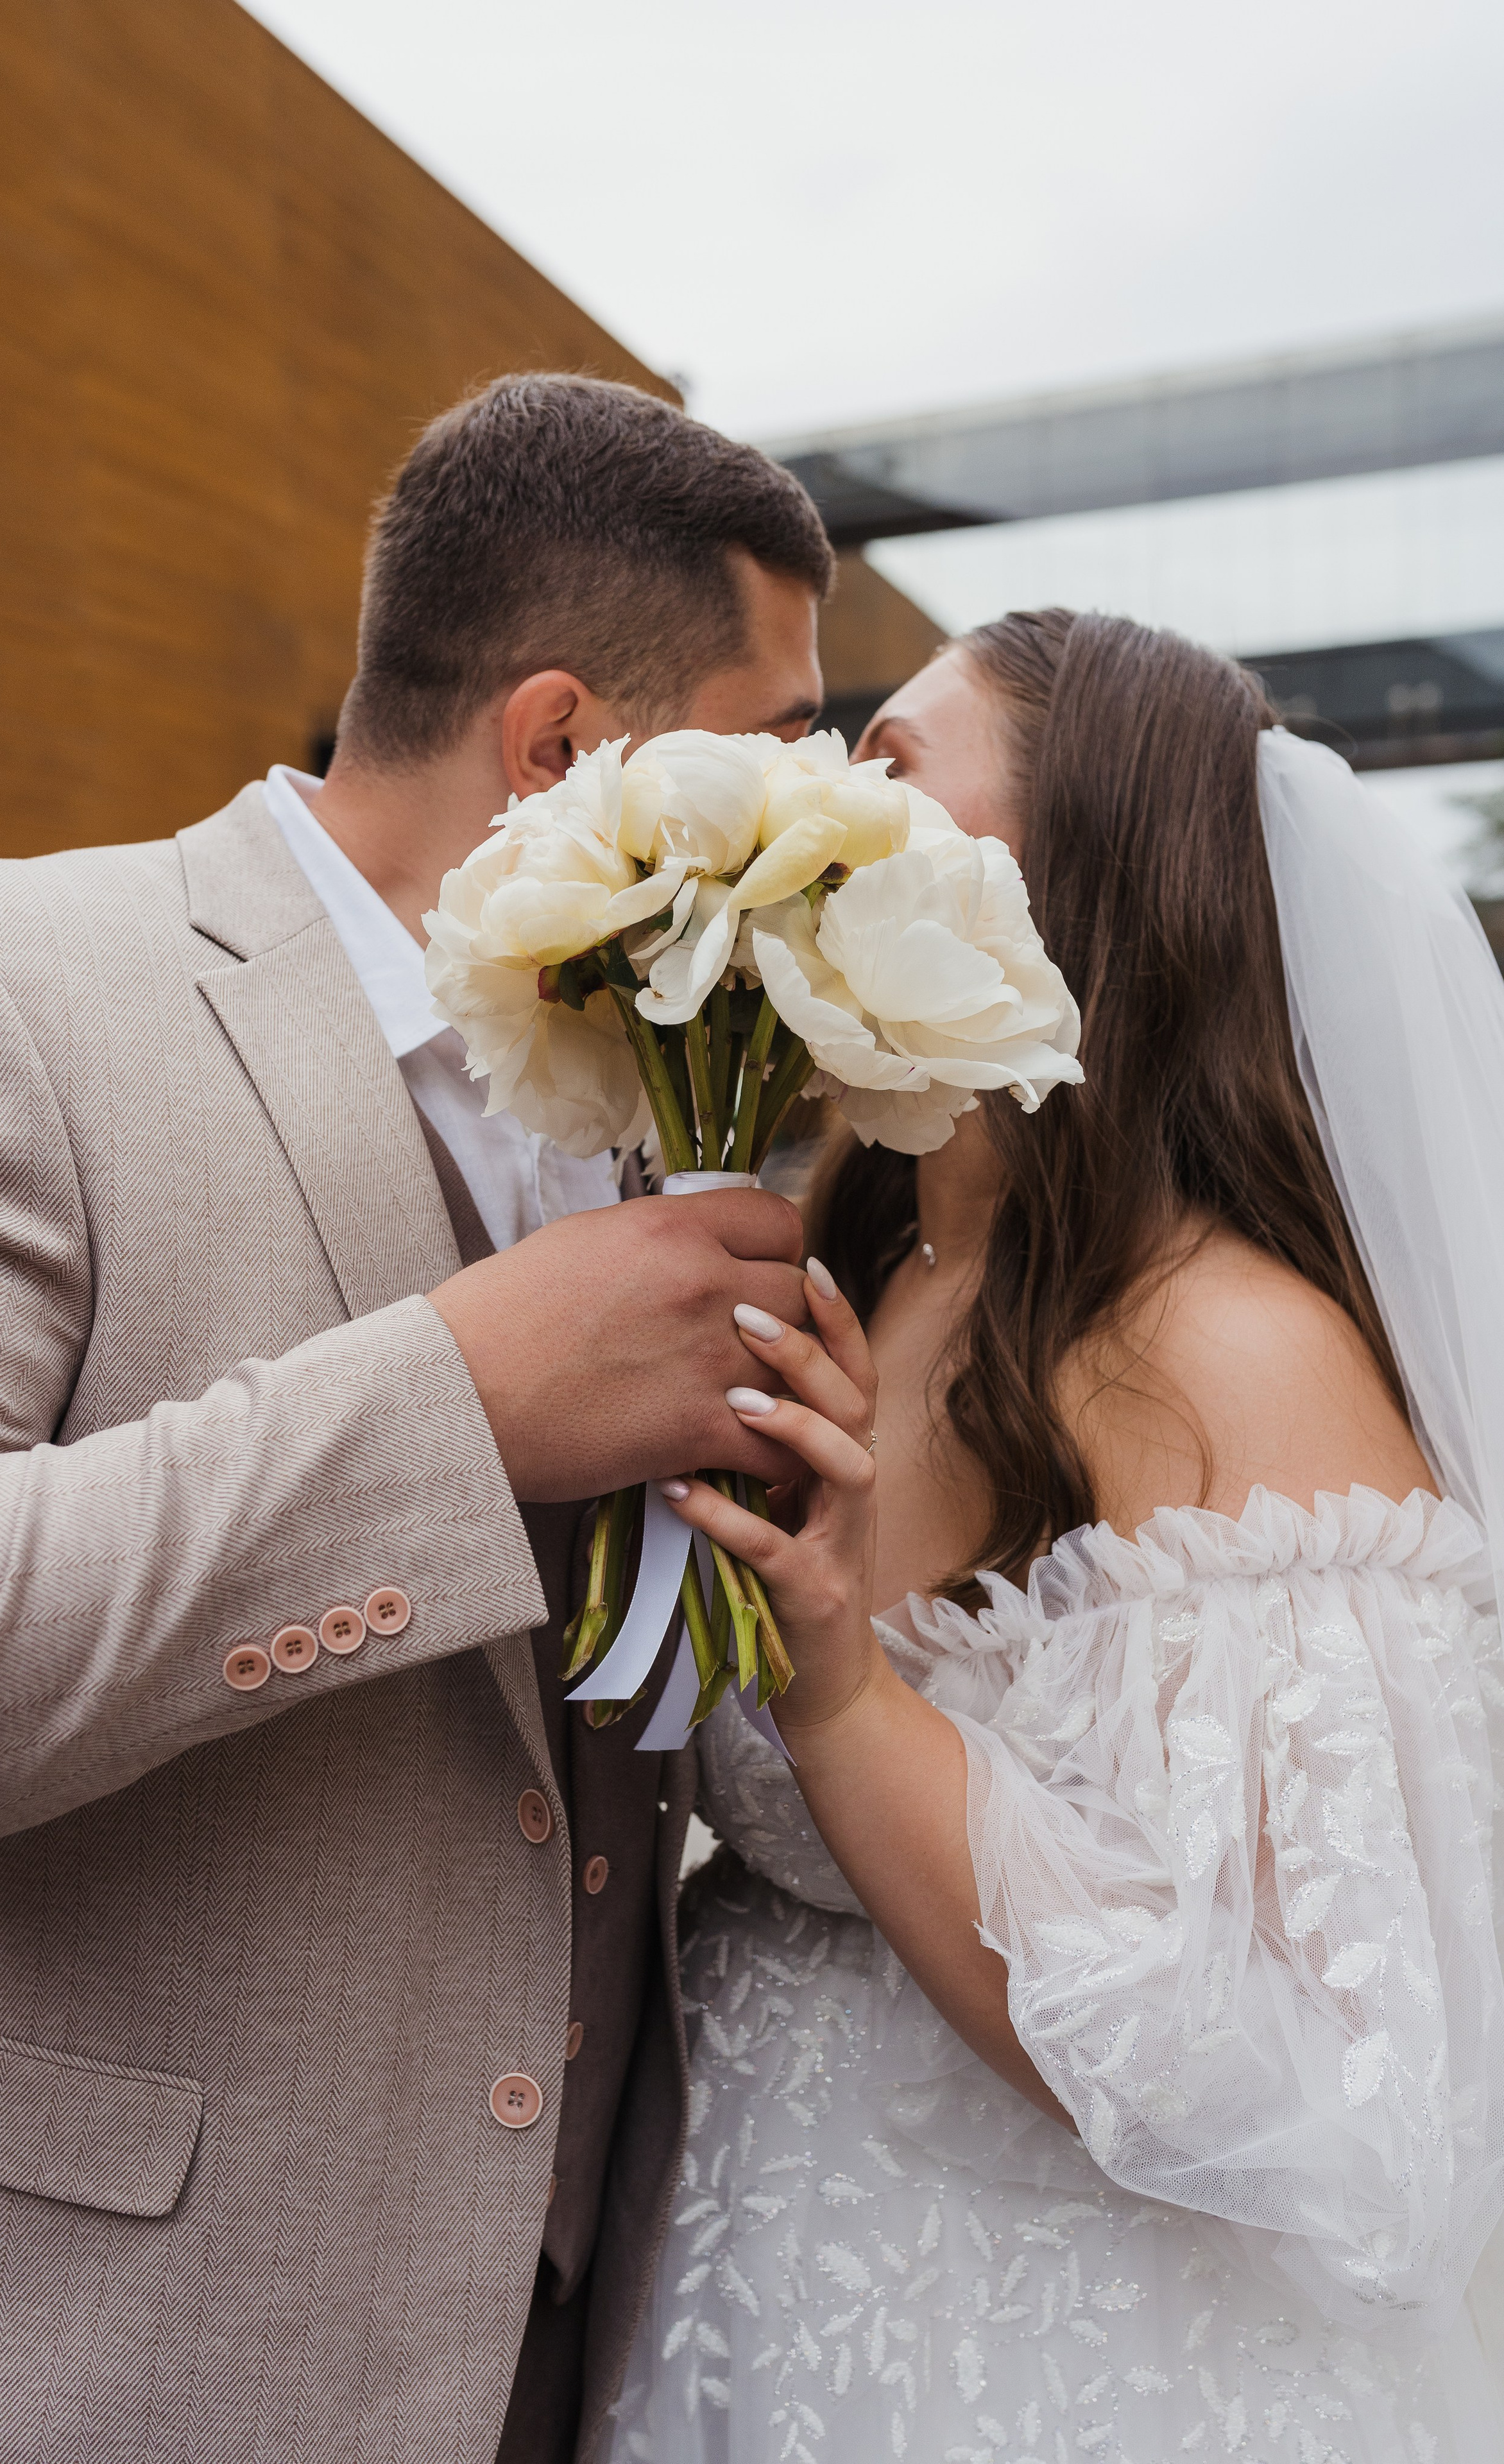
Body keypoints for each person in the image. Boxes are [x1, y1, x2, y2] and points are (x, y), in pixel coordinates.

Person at [0, 373, 833, 2464]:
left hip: (581, 2346)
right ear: (569, 746)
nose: (811, 816)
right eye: (770, 750)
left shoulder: (688, 1075)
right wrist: (459, 1408)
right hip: (131, 2355)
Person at [611, 610, 1504, 2461]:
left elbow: (1333, 2093)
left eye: (890, 772)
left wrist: (851, 1695)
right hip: (731, 2274)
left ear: (1069, 877)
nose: (818, 811)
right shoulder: (864, 1264)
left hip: (1046, 2361)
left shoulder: (1235, 1357)